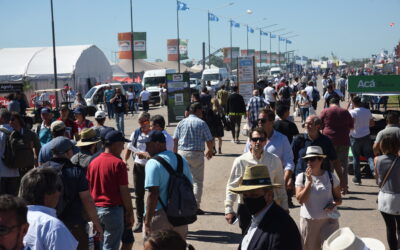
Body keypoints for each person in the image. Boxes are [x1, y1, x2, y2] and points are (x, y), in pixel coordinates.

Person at [41, 136, 103, 250]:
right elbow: (87, 200)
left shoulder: (41, 170)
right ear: (68, 152)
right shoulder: (77, 171)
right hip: (74, 225)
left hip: (47, 225)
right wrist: (96, 223)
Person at [225, 128, 288, 234]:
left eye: (261, 139)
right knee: (247, 239)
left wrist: (284, 207)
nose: (258, 142)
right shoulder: (240, 161)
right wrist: (228, 209)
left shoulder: (274, 160)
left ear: (266, 141)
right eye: (254, 139)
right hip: (247, 207)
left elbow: (280, 186)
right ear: (249, 141)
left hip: (268, 206)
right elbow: (232, 186)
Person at [230, 164, 302, 250]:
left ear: (269, 195)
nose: (248, 200)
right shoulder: (258, 216)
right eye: (245, 196)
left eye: (253, 195)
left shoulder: (282, 228)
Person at [86, 130, 134, 250]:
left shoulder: (93, 162)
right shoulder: (118, 164)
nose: (123, 147)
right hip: (112, 211)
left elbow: (88, 187)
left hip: (96, 210)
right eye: (122, 144)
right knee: (111, 247)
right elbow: (124, 191)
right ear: (115, 144)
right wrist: (130, 212)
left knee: (102, 245)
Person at [143, 130, 193, 239]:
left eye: (148, 145)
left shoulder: (153, 163)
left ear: (158, 144)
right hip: (180, 216)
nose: (146, 149)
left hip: (160, 216)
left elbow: (153, 194)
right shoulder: (181, 160)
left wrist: (147, 222)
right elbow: (189, 186)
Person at [295, 146, 342, 250]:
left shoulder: (331, 177)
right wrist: (308, 183)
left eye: (312, 159)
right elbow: (300, 200)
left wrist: (333, 204)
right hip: (309, 223)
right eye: (307, 159)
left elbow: (339, 199)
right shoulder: (301, 177)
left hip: (329, 222)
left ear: (321, 159)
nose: (309, 162)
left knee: (330, 248)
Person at [20, 168, 78, 250]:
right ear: (48, 193)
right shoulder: (53, 226)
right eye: (58, 188)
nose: (59, 193)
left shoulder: (14, 220)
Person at [173, 103, 213, 215]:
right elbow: (209, 139)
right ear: (197, 110)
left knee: (182, 181)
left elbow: (175, 140)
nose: (202, 113)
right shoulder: (202, 123)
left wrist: (174, 155)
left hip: (182, 154)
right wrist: (210, 150)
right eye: (201, 111)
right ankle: (194, 206)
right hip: (196, 154)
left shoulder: (181, 122)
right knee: (197, 181)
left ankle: (182, 205)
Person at [244, 109, 295, 194]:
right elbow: (245, 160)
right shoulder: (251, 139)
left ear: (272, 122)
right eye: (258, 120)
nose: (259, 122)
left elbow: (289, 163)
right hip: (254, 185)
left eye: (263, 120)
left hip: (275, 186)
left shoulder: (282, 139)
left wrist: (284, 183)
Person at [292, 115, 345, 191]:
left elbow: (335, 161)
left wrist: (342, 180)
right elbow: (290, 160)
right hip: (302, 179)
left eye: (310, 124)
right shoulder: (298, 140)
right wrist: (291, 178)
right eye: (306, 123)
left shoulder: (326, 141)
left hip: (322, 181)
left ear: (318, 126)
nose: (307, 126)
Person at [124, 112, 151, 233]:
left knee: (154, 193)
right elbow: (129, 147)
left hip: (152, 167)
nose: (142, 124)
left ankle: (152, 219)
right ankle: (140, 220)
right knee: (139, 195)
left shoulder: (154, 132)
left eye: (144, 122)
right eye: (140, 122)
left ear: (149, 121)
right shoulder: (136, 133)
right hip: (139, 167)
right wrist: (126, 160)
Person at [320, 98, 354, 194]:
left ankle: (330, 187)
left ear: (329, 103)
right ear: (338, 103)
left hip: (329, 141)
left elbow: (320, 125)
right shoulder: (345, 112)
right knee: (343, 165)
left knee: (329, 164)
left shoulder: (325, 111)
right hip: (344, 140)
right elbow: (351, 126)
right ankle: (344, 187)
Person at [374, 135, 400, 250]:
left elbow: (377, 180)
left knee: (390, 228)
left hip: (384, 197)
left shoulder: (377, 160)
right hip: (398, 198)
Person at [349, 96, 375, 185]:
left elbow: (350, 125)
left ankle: (357, 178)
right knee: (369, 155)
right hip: (366, 136)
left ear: (353, 103)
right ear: (360, 102)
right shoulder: (367, 111)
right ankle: (374, 171)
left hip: (355, 137)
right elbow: (372, 123)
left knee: (356, 158)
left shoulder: (352, 112)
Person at [9, 112, 41, 176]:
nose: (10, 122)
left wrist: (38, 166)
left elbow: (38, 149)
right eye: (9, 120)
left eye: (12, 119)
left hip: (29, 169)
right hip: (15, 171)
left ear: (18, 120)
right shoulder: (9, 135)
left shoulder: (30, 134)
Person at [0, 109, 20, 196]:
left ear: (1, 118)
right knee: (13, 200)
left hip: (1, 172)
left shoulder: (1, 132)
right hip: (15, 171)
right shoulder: (16, 132)